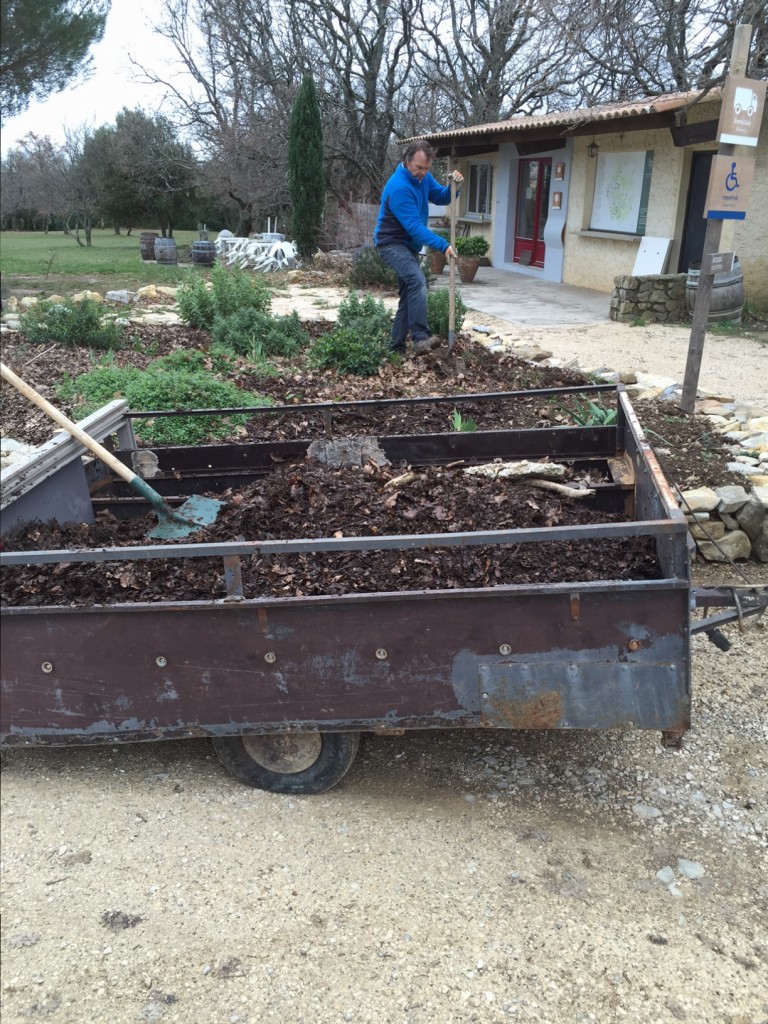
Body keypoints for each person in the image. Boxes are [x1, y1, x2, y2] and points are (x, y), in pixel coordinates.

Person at [374, 141, 463, 356]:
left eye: (426, 168)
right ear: (407, 161)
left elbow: (441, 197)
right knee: (417, 281)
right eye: (419, 168)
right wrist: (443, 245)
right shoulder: (399, 187)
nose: (422, 173)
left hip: (408, 246)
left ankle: (396, 349)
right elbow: (414, 227)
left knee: (408, 295)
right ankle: (420, 338)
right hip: (391, 244)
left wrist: (454, 186)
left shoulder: (423, 178)